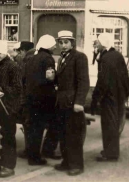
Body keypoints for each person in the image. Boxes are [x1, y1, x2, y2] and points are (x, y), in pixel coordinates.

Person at [54, 30, 89, 176]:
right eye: (60, 42)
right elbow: (62, 80)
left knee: (73, 135)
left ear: (72, 43)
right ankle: (66, 162)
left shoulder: (79, 57)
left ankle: (76, 165)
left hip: (73, 102)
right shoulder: (62, 58)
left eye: (66, 42)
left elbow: (83, 81)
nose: (63, 45)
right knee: (63, 134)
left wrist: (79, 102)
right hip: (62, 102)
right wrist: (53, 78)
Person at [0, 40, 23, 178]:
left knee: (8, 136)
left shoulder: (13, 66)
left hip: (8, 107)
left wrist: (1, 89)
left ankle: (8, 166)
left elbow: (18, 88)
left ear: (4, 52)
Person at [91, 33, 129, 162]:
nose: (95, 45)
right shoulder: (117, 55)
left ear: (103, 43)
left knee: (108, 125)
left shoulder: (105, 58)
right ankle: (110, 151)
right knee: (114, 123)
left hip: (109, 96)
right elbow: (125, 76)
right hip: (119, 95)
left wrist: (96, 97)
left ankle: (110, 154)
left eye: (97, 43)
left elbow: (103, 81)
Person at [24, 35, 57, 165]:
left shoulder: (33, 58)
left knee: (33, 128)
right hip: (44, 97)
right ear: (48, 45)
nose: (55, 46)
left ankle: (31, 154)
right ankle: (36, 157)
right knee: (40, 127)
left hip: (31, 97)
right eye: (54, 44)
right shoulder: (48, 59)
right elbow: (50, 77)